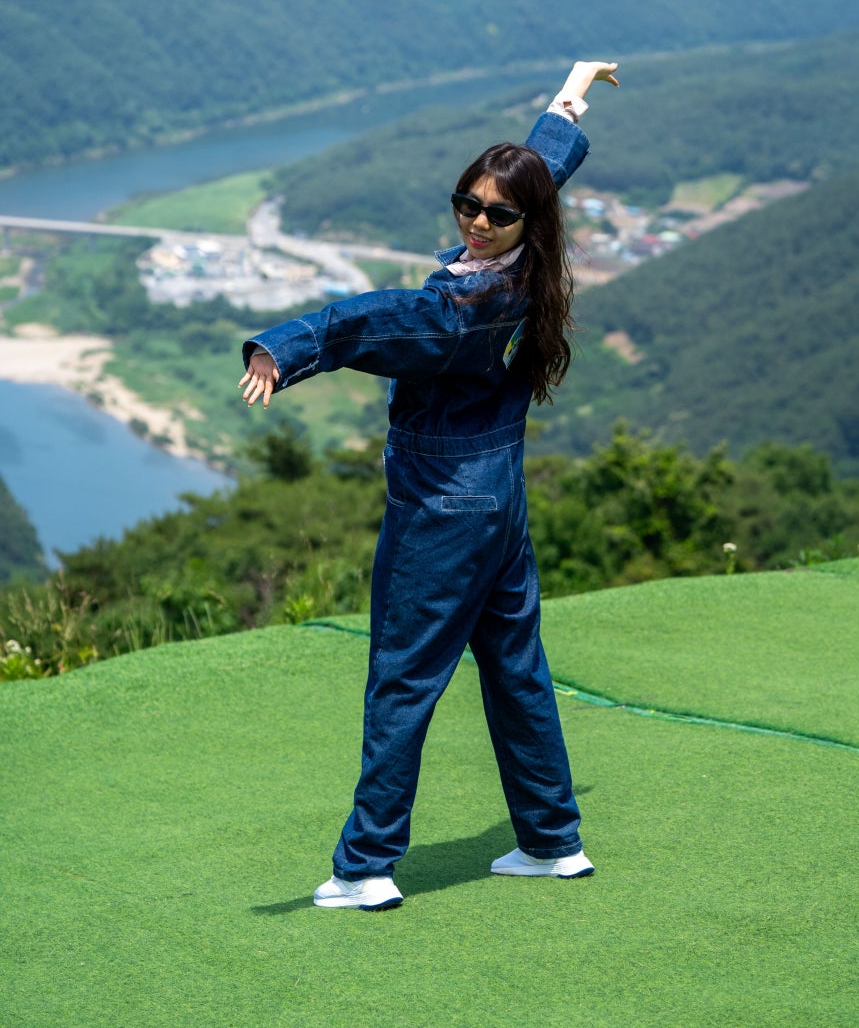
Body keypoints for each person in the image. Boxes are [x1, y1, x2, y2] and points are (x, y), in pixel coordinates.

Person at [239, 59, 619, 911]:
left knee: (403, 678)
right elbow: (541, 169)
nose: (478, 221)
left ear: (526, 221)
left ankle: (365, 865)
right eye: (467, 204)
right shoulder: (530, 262)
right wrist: (571, 96)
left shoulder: (455, 312)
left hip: (442, 509)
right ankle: (553, 841)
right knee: (515, 667)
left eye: (496, 212)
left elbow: (365, 319)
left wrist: (283, 348)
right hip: (499, 497)